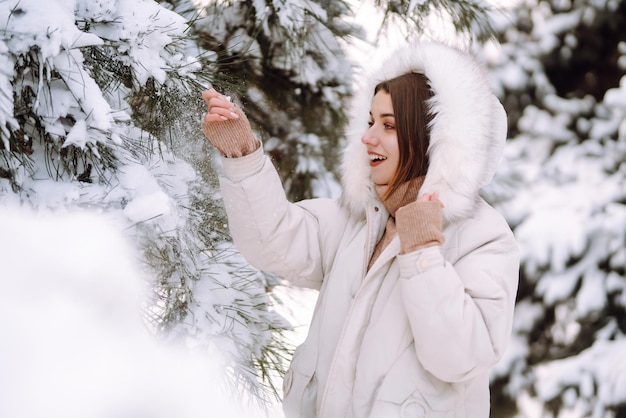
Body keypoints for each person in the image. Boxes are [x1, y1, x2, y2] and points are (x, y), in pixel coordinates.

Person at [201, 41, 520, 418]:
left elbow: (462, 355)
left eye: (388, 125)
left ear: (430, 138)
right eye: (370, 121)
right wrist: (242, 154)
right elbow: (272, 239)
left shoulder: (484, 238)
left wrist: (422, 249)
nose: (368, 137)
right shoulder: (358, 219)